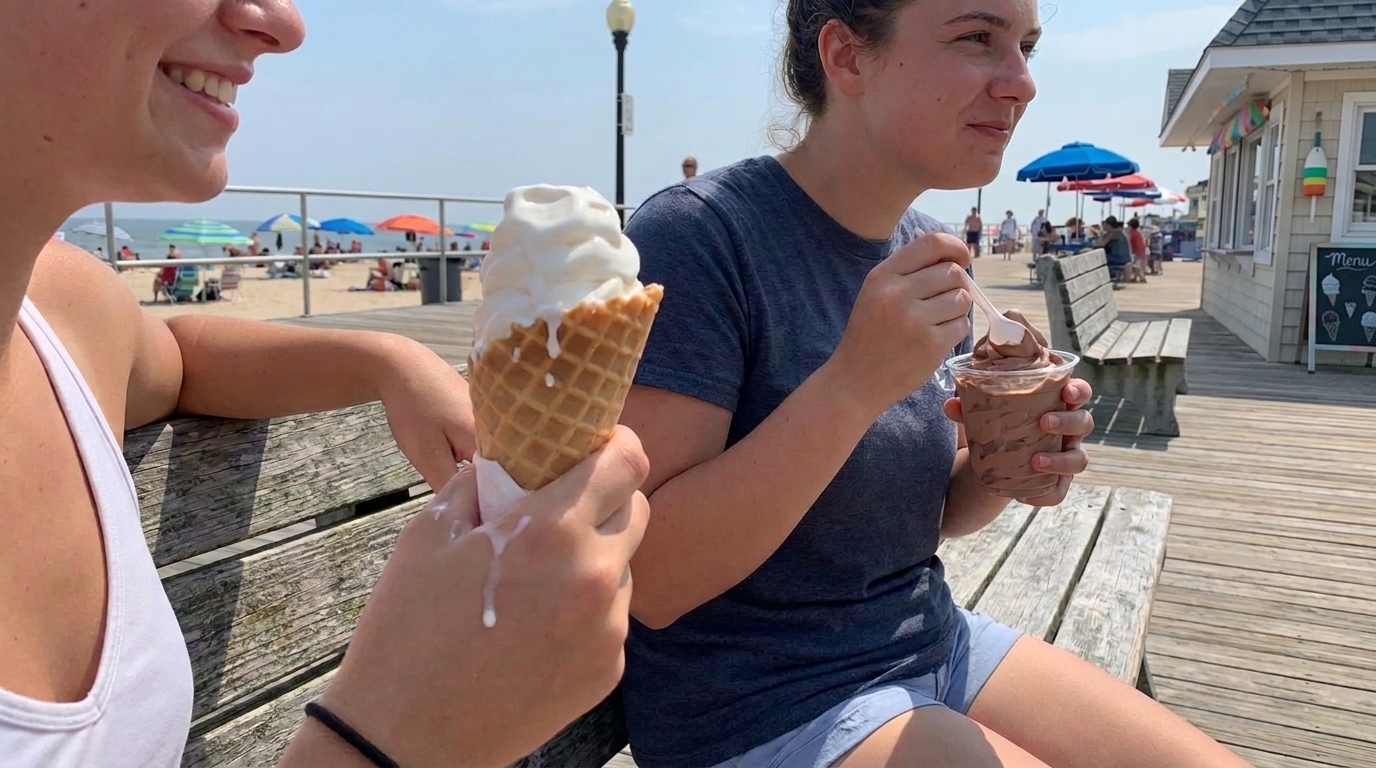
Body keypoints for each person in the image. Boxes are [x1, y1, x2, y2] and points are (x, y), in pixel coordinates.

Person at [0, 2, 650, 767]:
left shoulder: (61, 312)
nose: (281, 21)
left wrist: (385, 361)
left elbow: (180, 354)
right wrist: (388, 741)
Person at [616, 2, 1248, 768]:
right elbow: (652, 579)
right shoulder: (699, 238)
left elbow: (926, 515)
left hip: (929, 641)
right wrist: (851, 385)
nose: (1022, 83)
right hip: (760, 704)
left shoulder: (926, 254)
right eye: (978, 38)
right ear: (848, 58)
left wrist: (1011, 460)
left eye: (1026, 47)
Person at [1093, 216, 1133, 281]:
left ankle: (1099, 278)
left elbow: (1102, 244)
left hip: (1119, 259)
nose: (1104, 227)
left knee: (1097, 258)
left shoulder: (1113, 233)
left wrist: (1099, 237)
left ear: (1109, 225)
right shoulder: (1120, 231)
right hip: (1126, 258)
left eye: (1105, 225)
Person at [1127, 217, 1149, 283]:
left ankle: (1142, 277)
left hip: (1136, 251)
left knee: (1136, 266)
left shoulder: (1132, 233)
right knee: (1138, 265)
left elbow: (1129, 242)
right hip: (1141, 250)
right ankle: (1136, 277)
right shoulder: (1138, 232)